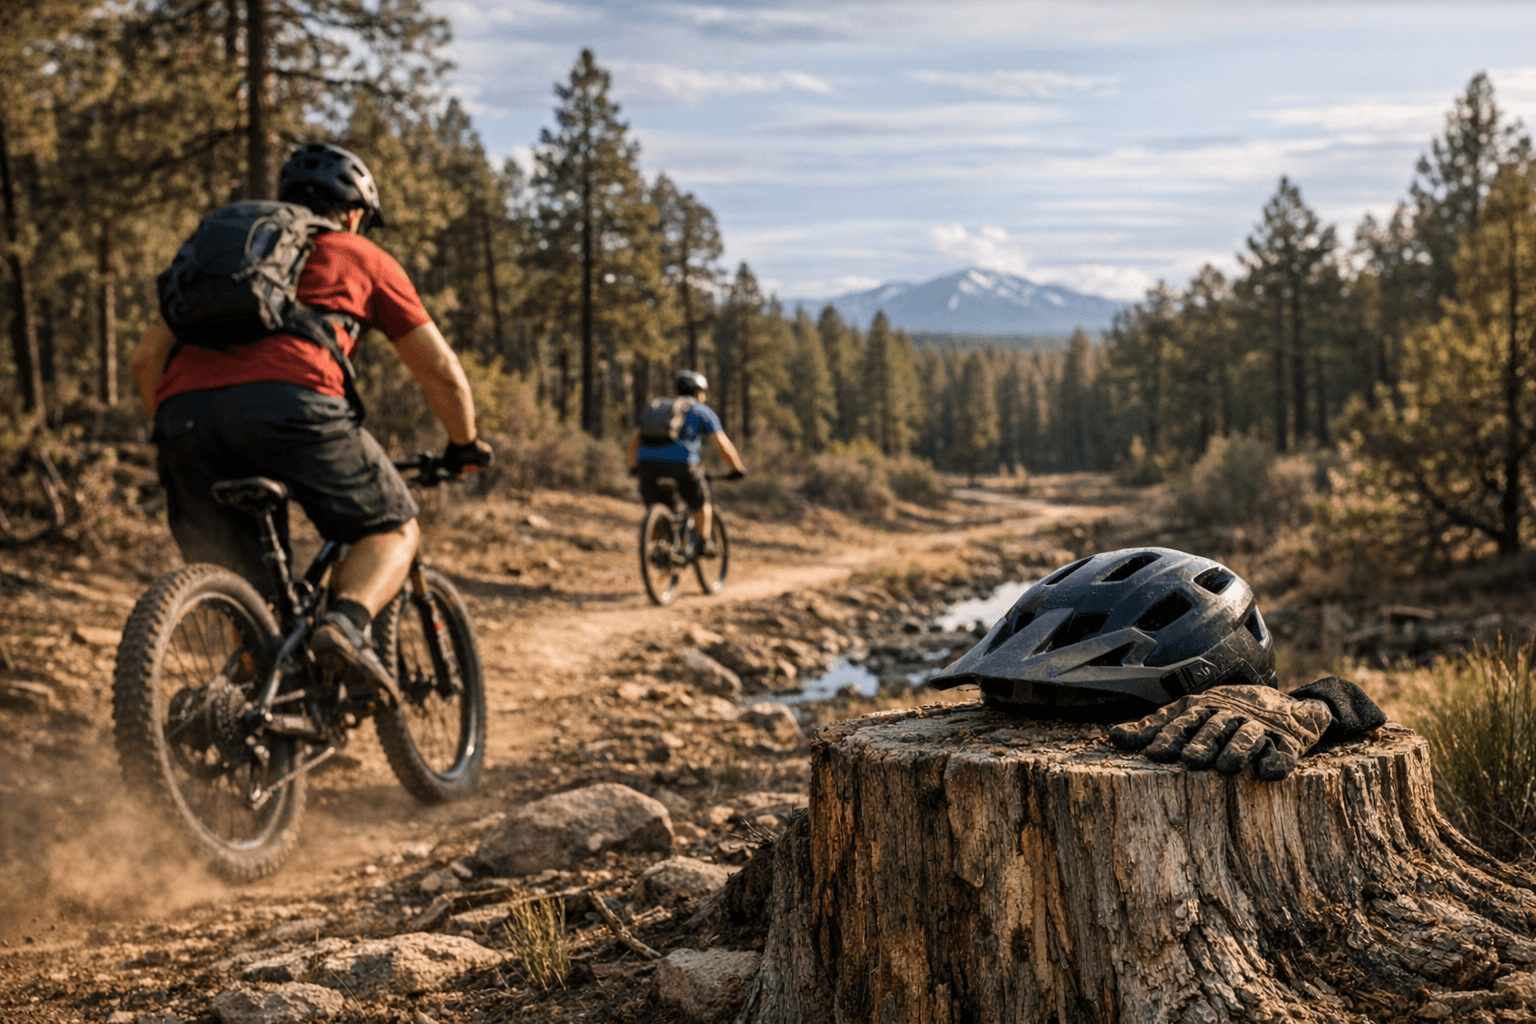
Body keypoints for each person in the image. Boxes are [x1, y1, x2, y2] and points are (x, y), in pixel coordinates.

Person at [129, 142, 492, 708]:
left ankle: (253, 703)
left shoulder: (230, 261)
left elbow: (144, 362)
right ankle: (345, 627)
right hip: (294, 407)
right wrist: (464, 443)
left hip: (184, 421)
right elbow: (441, 372)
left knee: (247, 593)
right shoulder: (359, 254)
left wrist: (192, 427)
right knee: (392, 527)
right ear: (352, 212)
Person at [626, 370, 745, 557]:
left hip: (647, 464)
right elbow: (722, 445)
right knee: (701, 499)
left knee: (660, 504)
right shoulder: (700, 410)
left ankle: (660, 546)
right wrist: (736, 468)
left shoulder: (658, 408)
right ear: (698, 392)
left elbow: (634, 439)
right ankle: (704, 542)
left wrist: (633, 467)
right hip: (682, 464)